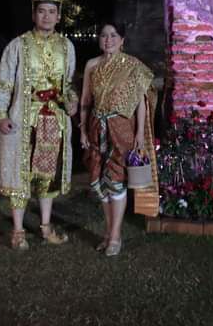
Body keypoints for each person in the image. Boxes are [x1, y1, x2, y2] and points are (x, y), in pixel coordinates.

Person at [0, 0, 78, 250]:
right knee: (20, 172)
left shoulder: (67, 47)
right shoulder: (18, 45)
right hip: (23, 117)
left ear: (59, 15)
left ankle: (44, 225)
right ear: (33, 13)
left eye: (52, 11)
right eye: (41, 10)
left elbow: (68, 84)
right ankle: (17, 230)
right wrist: (0, 114)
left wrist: (71, 102)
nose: (47, 16)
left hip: (53, 119)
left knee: (47, 175)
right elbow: (3, 83)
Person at [80, 22, 157, 256]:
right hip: (96, 127)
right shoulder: (92, 65)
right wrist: (82, 130)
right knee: (98, 181)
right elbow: (85, 100)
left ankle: (115, 236)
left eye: (114, 35)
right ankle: (109, 232)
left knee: (116, 179)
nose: (108, 40)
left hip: (122, 128)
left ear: (122, 40)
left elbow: (141, 103)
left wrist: (140, 134)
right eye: (104, 35)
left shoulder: (133, 66)